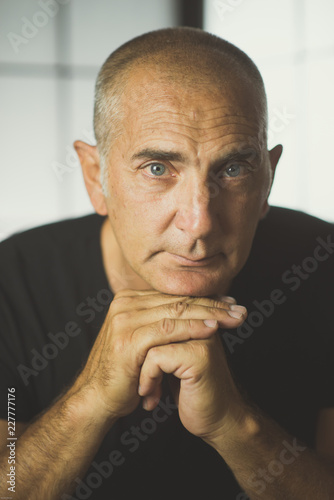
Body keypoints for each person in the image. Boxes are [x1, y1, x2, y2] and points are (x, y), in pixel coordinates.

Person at [0, 27, 333, 499]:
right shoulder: (11, 282)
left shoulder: (324, 264)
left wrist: (235, 426)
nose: (199, 222)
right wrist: (89, 401)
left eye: (233, 169)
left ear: (268, 179)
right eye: (158, 169)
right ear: (97, 178)